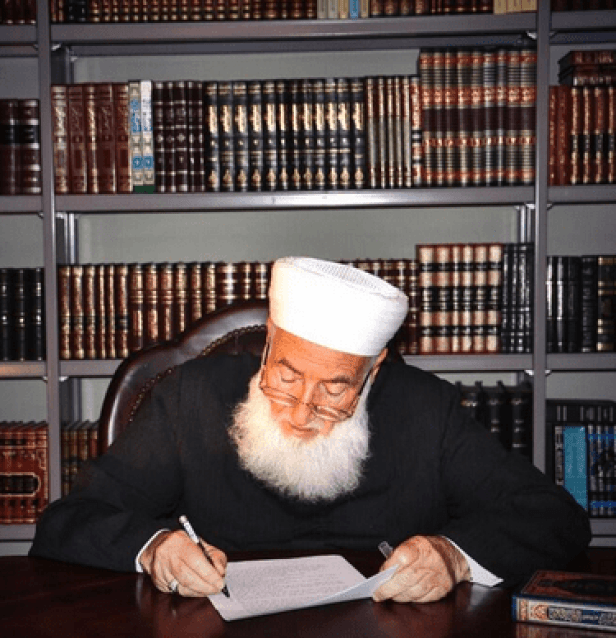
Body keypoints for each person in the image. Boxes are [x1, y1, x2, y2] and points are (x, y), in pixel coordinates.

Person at [30, 256, 591, 604]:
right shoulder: (190, 397)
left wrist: (453, 555)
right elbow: (70, 520)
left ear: (373, 370)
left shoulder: (427, 408)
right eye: (286, 376)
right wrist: (155, 548)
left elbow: (554, 517)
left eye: (335, 389)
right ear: (268, 343)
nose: (301, 412)